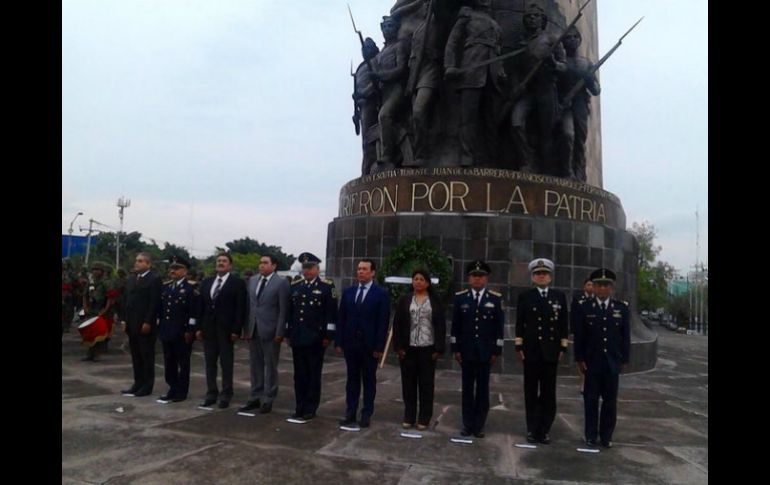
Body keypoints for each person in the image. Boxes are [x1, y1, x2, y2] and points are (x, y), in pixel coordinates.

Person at [573, 268, 630, 448]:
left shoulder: (621, 308)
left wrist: (624, 359)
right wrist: (579, 358)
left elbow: (625, 337)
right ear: (594, 288)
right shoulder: (585, 308)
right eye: (599, 285)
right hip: (592, 362)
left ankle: (606, 436)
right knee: (590, 400)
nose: (603, 289)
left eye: (606, 286)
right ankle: (590, 434)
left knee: (610, 402)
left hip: (612, 362)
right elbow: (580, 336)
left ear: (611, 288)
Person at [444, 0, 505, 167]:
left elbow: (498, 49)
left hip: (492, 73)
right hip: (471, 68)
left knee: (491, 118)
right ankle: (466, 156)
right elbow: (452, 42)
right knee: (468, 117)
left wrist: (500, 71)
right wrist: (450, 65)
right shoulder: (467, 15)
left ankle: (491, 158)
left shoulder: (495, 24)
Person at [514, 258, 568, 444]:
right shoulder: (525, 297)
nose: (541, 276)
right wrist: (519, 346)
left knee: (548, 394)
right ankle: (532, 428)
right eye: (538, 273)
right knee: (530, 392)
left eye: (544, 273)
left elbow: (563, 324)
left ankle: (544, 429)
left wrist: (563, 347)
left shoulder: (558, 297)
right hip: (531, 351)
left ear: (550, 277)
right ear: (533, 277)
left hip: (551, 352)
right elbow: (519, 324)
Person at [509, 3, 567, 173]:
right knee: (516, 123)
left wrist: (553, 63)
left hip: (546, 90)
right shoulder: (521, 43)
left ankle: (546, 168)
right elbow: (514, 70)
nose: (532, 19)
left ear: (543, 20)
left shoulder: (552, 40)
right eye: (528, 17)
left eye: (535, 16)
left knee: (546, 133)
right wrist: (515, 87)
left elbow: (564, 66)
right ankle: (526, 160)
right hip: (527, 91)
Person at [451, 260, 504, 438]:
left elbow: (499, 327)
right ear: (469, 278)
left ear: (486, 279)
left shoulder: (494, 299)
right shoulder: (461, 298)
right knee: (467, 390)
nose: (477, 279)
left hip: (485, 353)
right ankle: (467, 424)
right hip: (466, 352)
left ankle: (479, 425)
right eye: (474, 276)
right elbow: (456, 326)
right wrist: (455, 348)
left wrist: (497, 351)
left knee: (482, 391)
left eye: (481, 276)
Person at [335, 259, 391, 428]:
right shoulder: (349, 292)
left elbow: (383, 323)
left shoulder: (380, 293)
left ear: (372, 272)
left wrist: (379, 347)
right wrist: (339, 341)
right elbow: (341, 318)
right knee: (352, 380)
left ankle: (366, 413)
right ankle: (350, 413)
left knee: (368, 381)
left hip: (369, 346)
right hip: (351, 344)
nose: (360, 272)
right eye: (359, 269)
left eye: (365, 269)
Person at [285, 252, 337, 422]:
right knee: (299, 375)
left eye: (309, 268)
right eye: (304, 268)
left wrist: (328, 335)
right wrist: (288, 332)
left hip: (316, 338)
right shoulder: (296, 285)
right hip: (298, 337)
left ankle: (310, 407)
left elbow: (331, 314)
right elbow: (290, 312)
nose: (306, 271)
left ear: (317, 268)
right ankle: (299, 406)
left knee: (313, 374)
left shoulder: (327, 286)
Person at [392, 268, 446, 430]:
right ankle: (409, 415)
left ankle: (424, 417)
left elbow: (440, 326)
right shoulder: (405, 300)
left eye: (422, 279)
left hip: (427, 349)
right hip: (408, 349)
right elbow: (398, 324)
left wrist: (438, 348)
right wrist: (399, 347)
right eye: (415, 279)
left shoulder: (434, 301)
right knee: (408, 384)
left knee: (426, 385)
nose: (418, 282)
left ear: (427, 283)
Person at [240, 254, 290, 414]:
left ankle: (269, 397)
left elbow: (283, 310)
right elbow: (249, 307)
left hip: (271, 330)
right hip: (254, 329)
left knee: (270, 365)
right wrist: (246, 329)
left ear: (274, 266)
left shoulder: (281, 283)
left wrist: (280, 331)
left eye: (265, 263)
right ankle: (255, 395)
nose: (261, 265)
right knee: (255, 365)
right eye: (260, 263)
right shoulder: (253, 281)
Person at [197, 253, 247, 409]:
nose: (221, 263)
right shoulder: (206, 282)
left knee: (226, 364)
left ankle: (226, 393)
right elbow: (201, 307)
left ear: (230, 265)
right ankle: (211, 392)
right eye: (218, 261)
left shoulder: (237, 283)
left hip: (226, 330)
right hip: (209, 330)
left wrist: (236, 329)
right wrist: (198, 327)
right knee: (210, 363)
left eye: (224, 261)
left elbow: (240, 308)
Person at [556, 26, 600, 181]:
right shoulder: (561, 62)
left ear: (580, 40)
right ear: (563, 41)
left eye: (575, 37)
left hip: (580, 105)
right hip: (565, 104)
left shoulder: (586, 63)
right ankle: (566, 171)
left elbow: (596, 90)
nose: (572, 40)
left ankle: (579, 173)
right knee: (568, 135)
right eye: (568, 37)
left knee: (580, 140)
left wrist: (588, 79)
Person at [157, 255, 200, 403]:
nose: (173, 271)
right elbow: (162, 311)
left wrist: (190, 330)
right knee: (169, 362)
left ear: (185, 271)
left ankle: (181, 391)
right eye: (171, 268)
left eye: (176, 268)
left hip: (182, 332)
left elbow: (193, 313)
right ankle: (172, 388)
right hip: (167, 331)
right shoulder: (166, 287)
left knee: (183, 363)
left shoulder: (190, 289)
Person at [121, 253, 162, 396]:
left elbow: (154, 303)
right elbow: (126, 301)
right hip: (131, 323)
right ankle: (137, 383)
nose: (136, 263)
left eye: (140, 261)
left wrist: (148, 321)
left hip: (145, 324)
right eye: (136, 261)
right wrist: (124, 320)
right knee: (136, 356)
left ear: (148, 264)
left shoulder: (154, 279)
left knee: (146, 356)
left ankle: (147, 386)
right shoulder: (131, 279)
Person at [353, 38, 381, 175]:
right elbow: (356, 88)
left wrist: (365, 93)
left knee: (371, 138)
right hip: (362, 106)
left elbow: (377, 82)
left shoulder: (376, 61)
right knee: (365, 140)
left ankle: (373, 165)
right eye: (363, 49)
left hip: (373, 102)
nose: (365, 51)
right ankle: (367, 168)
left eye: (368, 48)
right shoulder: (360, 68)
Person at [82, 261, 116, 362]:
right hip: (91, 310)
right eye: (93, 270)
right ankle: (90, 354)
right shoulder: (91, 282)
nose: (95, 272)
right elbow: (85, 295)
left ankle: (97, 354)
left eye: (97, 270)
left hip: (101, 310)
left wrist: (104, 310)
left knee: (99, 333)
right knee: (89, 332)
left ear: (102, 271)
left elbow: (110, 298)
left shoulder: (106, 283)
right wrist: (85, 307)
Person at [570, 277, 594, 394]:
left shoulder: (596, 300)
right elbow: (573, 315)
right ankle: (582, 383)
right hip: (580, 333)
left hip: (592, 334)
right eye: (588, 285)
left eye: (592, 285)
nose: (590, 287)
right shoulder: (578, 299)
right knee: (580, 358)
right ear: (584, 287)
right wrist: (572, 331)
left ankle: (590, 382)